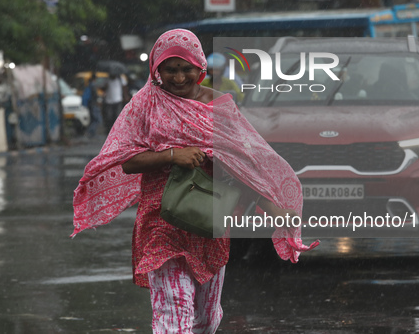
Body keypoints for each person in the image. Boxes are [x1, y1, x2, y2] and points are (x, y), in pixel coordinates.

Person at [72, 29, 318, 333]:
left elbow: (243, 168)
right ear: (156, 69)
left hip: (211, 223)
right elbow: (127, 160)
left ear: (200, 67)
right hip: (162, 222)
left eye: (186, 68)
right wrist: (173, 155)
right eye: (170, 69)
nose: (178, 77)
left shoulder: (219, 106)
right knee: (173, 313)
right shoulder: (144, 104)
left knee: (206, 318)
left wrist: (276, 211)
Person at [102, 65, 131, 134]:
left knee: (117, 116)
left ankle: (117, 130)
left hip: (118, 100)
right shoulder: (107, 80)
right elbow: (103, 89)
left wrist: (126, 96)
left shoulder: (120, 79)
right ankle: (109, 130)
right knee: (109, 117)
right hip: (109, 101)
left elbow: (125, 88)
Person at [83, 71, 102, 137]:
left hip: (90, 104)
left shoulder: (89, 85)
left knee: (93, 119)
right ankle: (90, 132)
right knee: (97, 119)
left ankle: (91, 133)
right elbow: (95, 96)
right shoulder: (93, 85)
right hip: (93, 104)